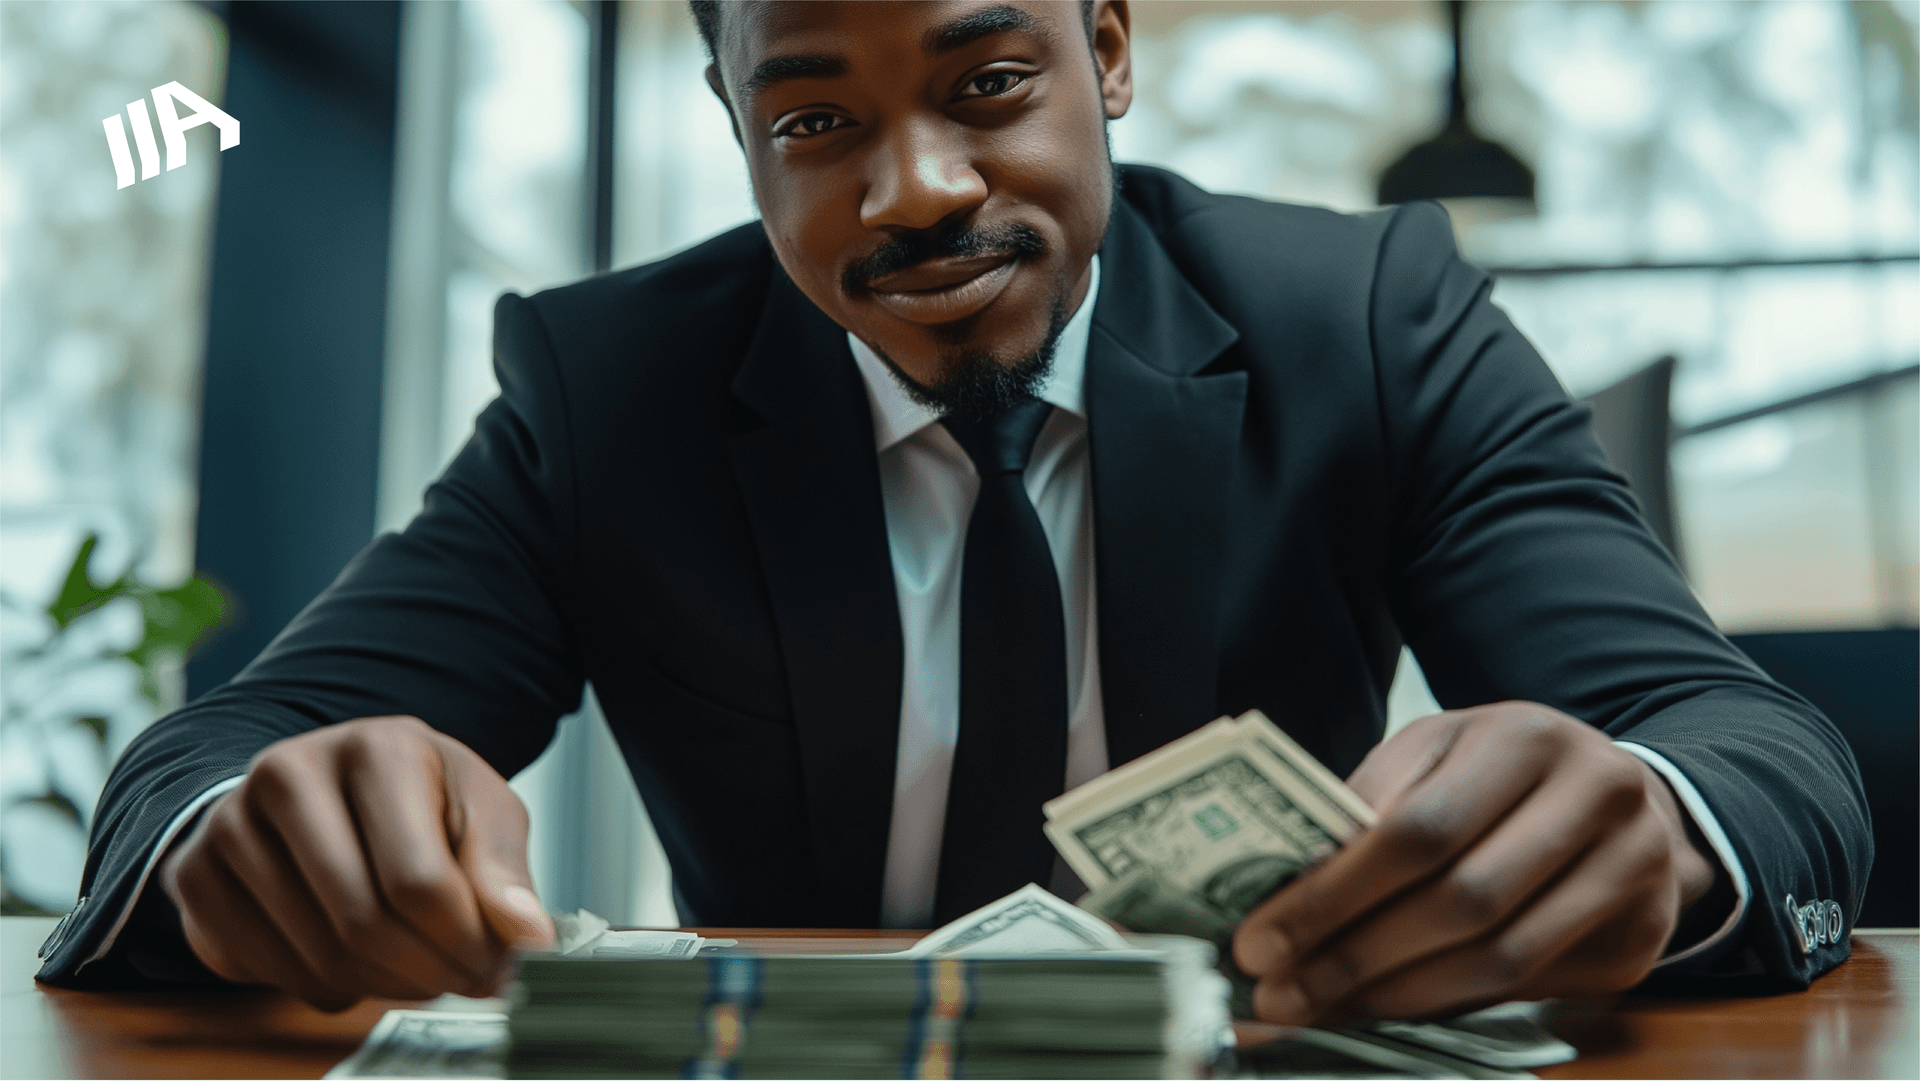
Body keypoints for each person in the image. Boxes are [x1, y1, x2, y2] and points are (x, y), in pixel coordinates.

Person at [40, 0, 1868, 1026]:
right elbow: (214, 760)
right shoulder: (612, 392)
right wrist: (251, 832)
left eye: (992, 86)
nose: (914, 190)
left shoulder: (1367, 322)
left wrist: (1660, 821)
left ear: (1112, 50)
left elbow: (1747, 746)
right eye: (815, 122)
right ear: (737, 125)